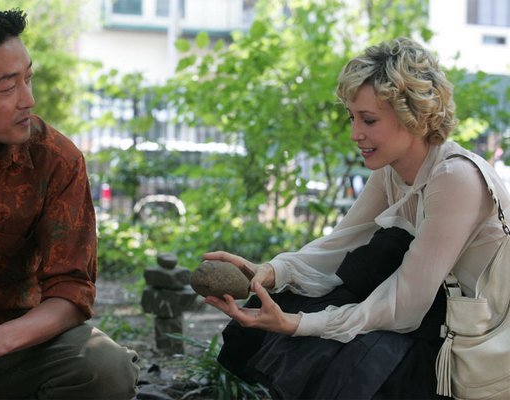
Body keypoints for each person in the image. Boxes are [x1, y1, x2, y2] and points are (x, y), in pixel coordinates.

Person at [203, 37, 510, 399]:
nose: (354, 134)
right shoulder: (392, 170)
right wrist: (269, 272)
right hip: (436, 318)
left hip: (481, 345)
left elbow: (404, 306)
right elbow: (339, 246)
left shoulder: (455, 178)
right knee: (331, 285)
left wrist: (298, 324)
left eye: (369, 120)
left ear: (415, 116)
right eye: (352, 117)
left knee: (355, 348)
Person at [0, 1, 139, 398]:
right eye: (8, 87)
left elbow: (71, 292)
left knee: (107, 368)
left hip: (16, 346)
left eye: (27, 79)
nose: (28, 99)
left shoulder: (57, 161)